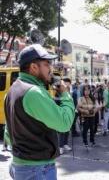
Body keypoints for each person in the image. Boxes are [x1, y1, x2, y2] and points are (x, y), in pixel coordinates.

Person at [4, 44, 75, 180]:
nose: (51, 69)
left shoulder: (12, 90)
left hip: (21, 166)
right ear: (34, 67)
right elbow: (64, 123)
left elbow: (8, 133)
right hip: (37, 169)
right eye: (47, 64)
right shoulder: (34, 93)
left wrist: (24, 150)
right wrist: (66, 95)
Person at [56, 78, 73, 155]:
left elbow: (71, 101)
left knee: (67, 130)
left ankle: (65, 144)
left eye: (68, 83)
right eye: (65, 83)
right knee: (62, 131)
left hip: (69, 112)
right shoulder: (58, 92)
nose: (67, 85)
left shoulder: (69, 92)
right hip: (61, 112)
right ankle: (60, 146)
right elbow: (57, 101)